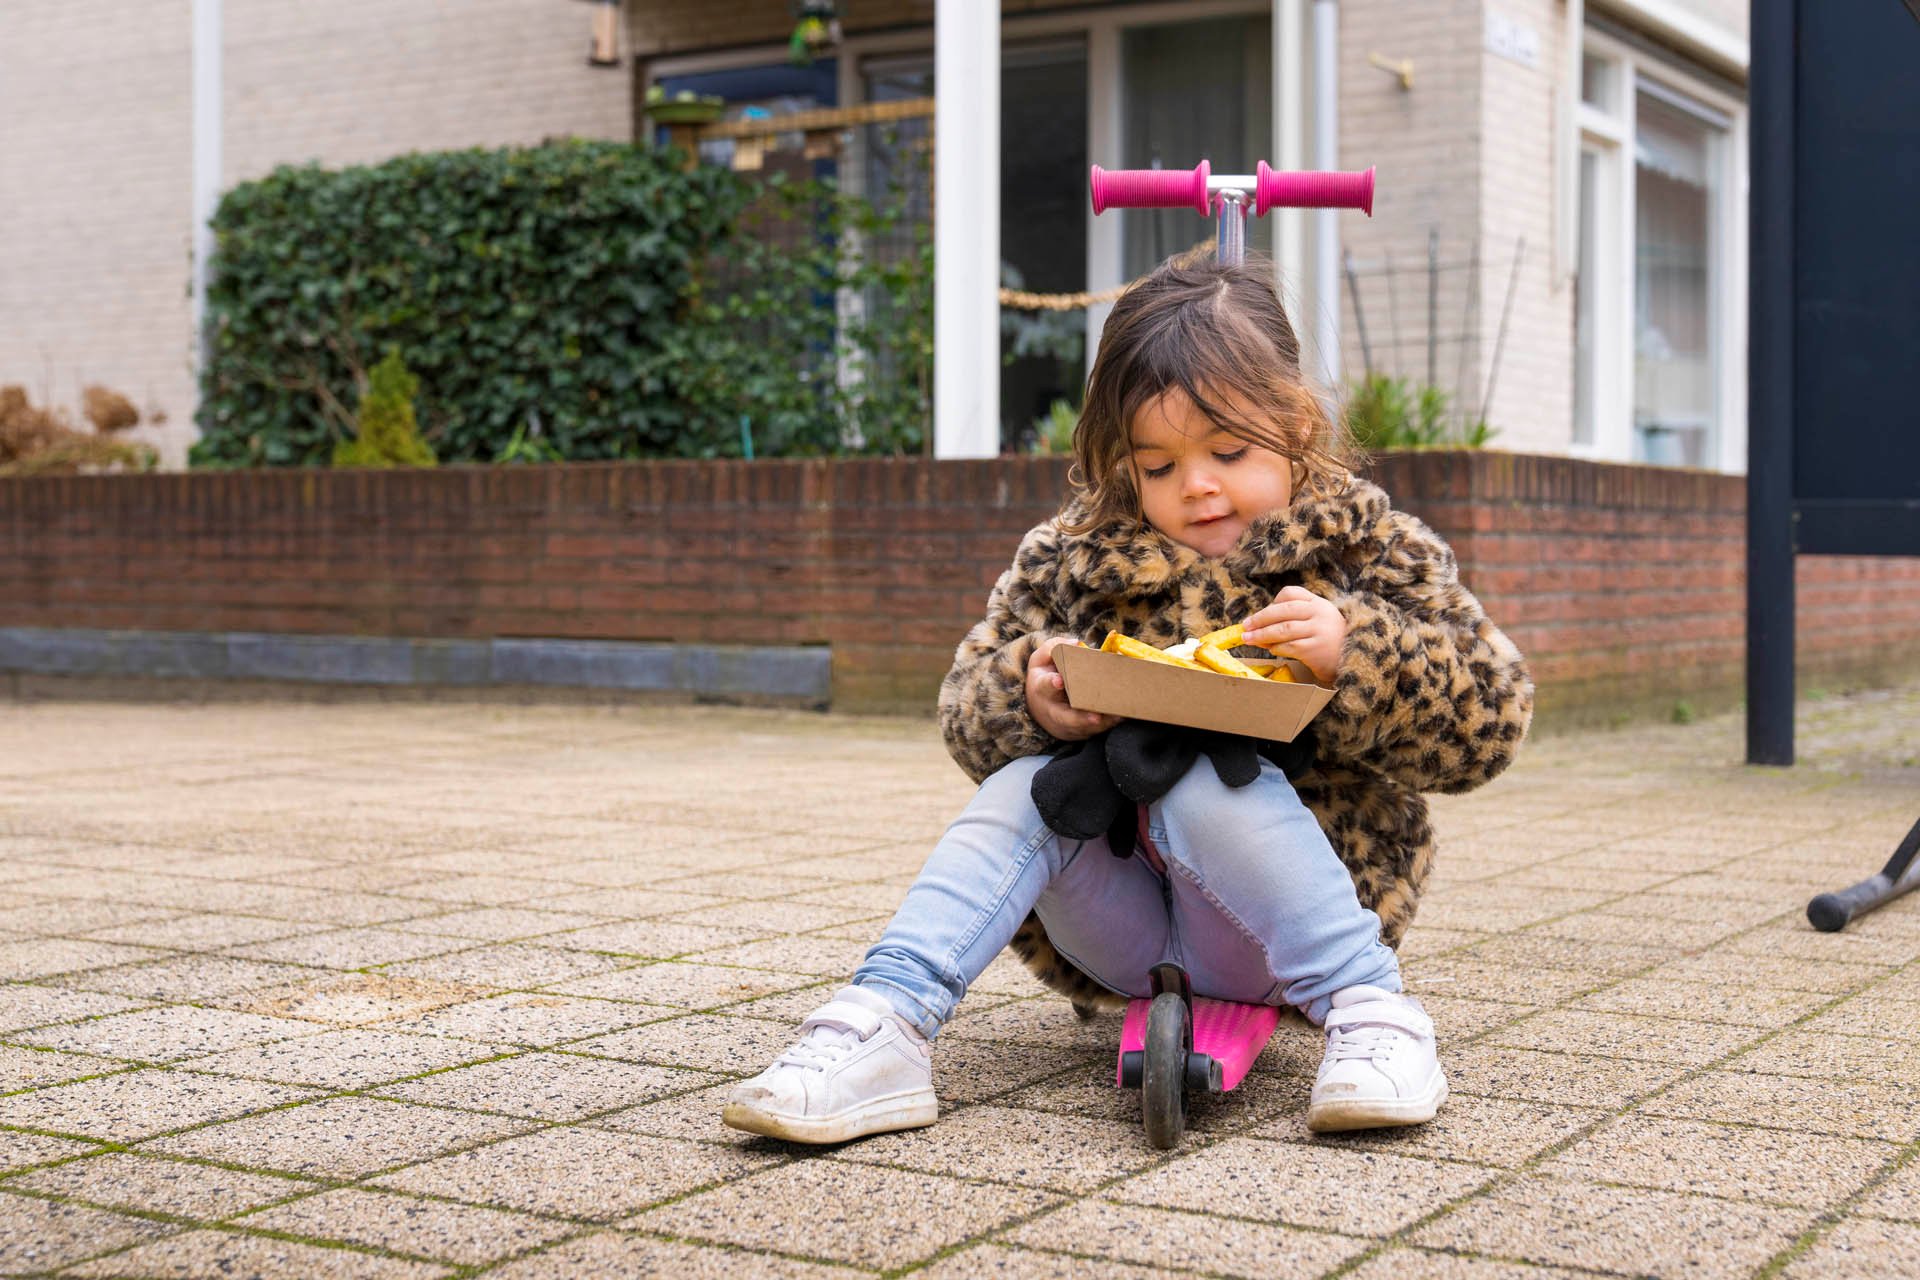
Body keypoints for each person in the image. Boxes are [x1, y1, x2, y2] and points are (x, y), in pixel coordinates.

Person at [722, 254, 1534, 1144]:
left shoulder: (1365, 549)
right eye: (1158, 464)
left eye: (1230, 452)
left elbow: (1492, 719)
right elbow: (963, 705)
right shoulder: (1072, 555)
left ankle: (1376, 1014)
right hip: (1119, 924)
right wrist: (1031, 696)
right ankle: (883, 1022)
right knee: (1024, 789)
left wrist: (1359, 654)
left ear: (1297, 425)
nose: (1197, 486)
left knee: (1197, 772)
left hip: (1287, 928)